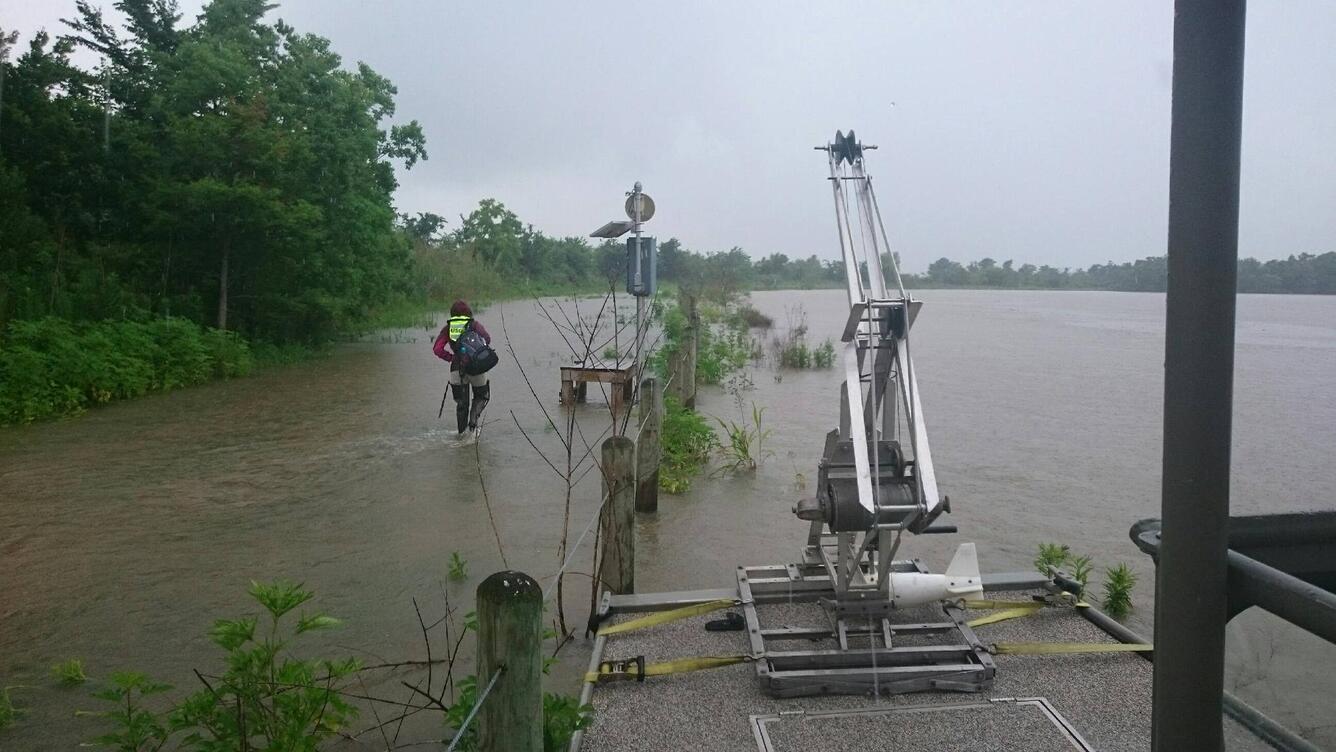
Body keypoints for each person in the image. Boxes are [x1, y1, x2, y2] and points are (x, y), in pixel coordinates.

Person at [433, 300, 492, 437]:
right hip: (476, 367)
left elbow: (437, 349)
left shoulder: (448, 328)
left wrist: (452, 358)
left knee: (461, 404)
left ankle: (461, 435)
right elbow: (487, 339)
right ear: (468, 312)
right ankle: (472, 427)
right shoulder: (475, 325)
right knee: (482, 396)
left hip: (456, 370)